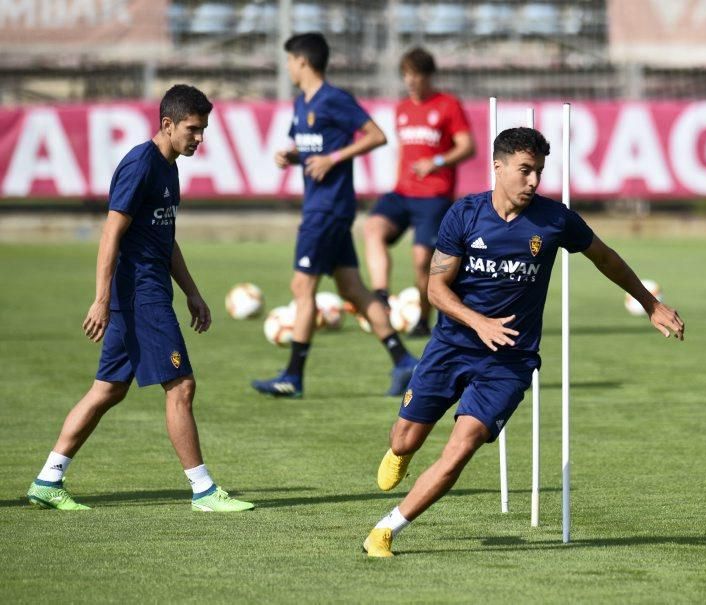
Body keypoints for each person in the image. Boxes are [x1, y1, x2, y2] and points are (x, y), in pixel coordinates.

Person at [362, 127, 685, 556]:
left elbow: (604, 256)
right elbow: (436, 290)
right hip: (452, 346)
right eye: (525, 171)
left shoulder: (556, 220)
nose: (534, 182)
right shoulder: (464, 214)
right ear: (498, 167)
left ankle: (388, 528)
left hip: (510, 362)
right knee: (403, 440)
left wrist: (650, 303)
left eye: (539, 172)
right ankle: (402, 452)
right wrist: (479, 322)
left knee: (462, 447)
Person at [26, 85, 254, 512]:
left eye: (204, 130)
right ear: (167, 124)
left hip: (149, 290)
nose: (200, 138)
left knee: (107, 390)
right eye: (193, 129)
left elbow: (164, 239)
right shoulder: (140, 164)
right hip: (140, 295)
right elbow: (111, 233)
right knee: (181, 385)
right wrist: (100, 299)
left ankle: (47, 479)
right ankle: (203, 490)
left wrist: (193, 292)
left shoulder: (169, 167)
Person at [252, 33, 417, 398]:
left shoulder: (335, 100)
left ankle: (292, 376)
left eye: (289, 61)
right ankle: (405, 362)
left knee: (302, 287)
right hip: (323, 208)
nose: (288, 67)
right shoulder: (301, 104)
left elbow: (377, 136)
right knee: (352, 289)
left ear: (302, 62)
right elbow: (309, 146)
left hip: (328, 209)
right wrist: (292, 156)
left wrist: (335, 158)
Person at [364, 47, 475, 338]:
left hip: (434, 195)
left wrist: (437, 161)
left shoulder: (448, 105)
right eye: (406, 75)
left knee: (422, 259)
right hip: (402, 192)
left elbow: (468, 146)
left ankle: (425, 319)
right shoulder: (402, 108)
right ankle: (380, 294)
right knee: (372, 227)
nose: (411, 81)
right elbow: (403, 151)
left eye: (416, 75)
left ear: (428, 76)